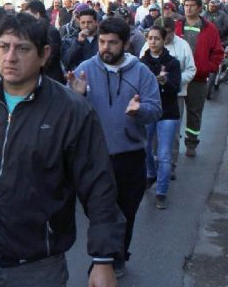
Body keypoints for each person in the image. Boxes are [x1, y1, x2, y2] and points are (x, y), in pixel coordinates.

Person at [0, 12, 125, 286]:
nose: (10, 57)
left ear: (44, 54)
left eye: (23, 48)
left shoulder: (71, 111)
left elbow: (98, 185)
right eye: (4, 47)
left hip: (38, 268)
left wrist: (103, 259)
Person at [68, 17, 161, 277]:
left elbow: (155, 110)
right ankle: (104, 258)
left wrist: (140, 110)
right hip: (94, 157)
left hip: (129, 157)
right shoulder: (86, 69)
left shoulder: (141, 72)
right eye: (102, 42)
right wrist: (77, 95)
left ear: (126, 44)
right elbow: (68, 111)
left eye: (112, 43)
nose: (105, 48)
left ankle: (117, 257)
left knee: (126, 212)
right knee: (100, 212)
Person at [140, 17, 196, 181]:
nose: (154, 41)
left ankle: (170, 165)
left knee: (172, 135)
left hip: (175, 97)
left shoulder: (183, 46)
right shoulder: (147, 48)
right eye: (151, 37)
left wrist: (173, 80)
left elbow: (191, 69)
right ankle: (153, 166)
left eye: (167, 33)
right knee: (150, 137)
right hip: (151, 98)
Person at [175, 0, 223, 157]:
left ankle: (191, 143)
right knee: (174, 114)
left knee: (194, 113)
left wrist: (208, 68)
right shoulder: (176, 26)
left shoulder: (209, 28)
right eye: (186, 5)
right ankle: (173, 143)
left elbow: (217, 52)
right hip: (177, 79)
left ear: (200, 8)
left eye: (192, 5)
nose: (188, 8)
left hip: (198, 79)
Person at [140, 26, 181, 210]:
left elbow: (176, 87)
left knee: (164, 154)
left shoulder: (172, 63)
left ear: (164, 41)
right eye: (150, 38)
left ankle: (161, 192)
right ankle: (151, 174)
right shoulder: (141, 63)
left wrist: (166, 82)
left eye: (157, 38)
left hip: (168, 112)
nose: (153, 41)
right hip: (148, 110)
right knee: (145, 148)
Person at [26, 0, 65, 83]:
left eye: (28, 15)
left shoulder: (50, 31)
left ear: (37, 14)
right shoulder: (36, 29)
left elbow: (51, 58)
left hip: (50, 78)